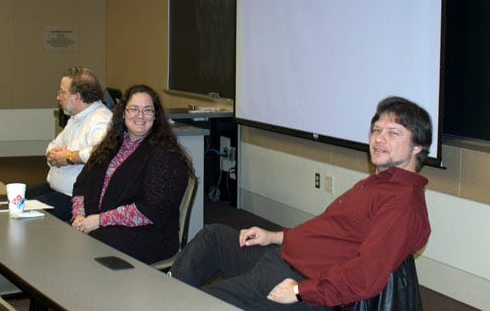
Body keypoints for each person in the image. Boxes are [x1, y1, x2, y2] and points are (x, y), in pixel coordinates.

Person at [169, 96, 432, 310]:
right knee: (215, 236)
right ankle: (165, 290)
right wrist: (273, 237)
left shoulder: (402, 203)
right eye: (376, 130)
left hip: (296, 281)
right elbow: (327, 233)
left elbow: (366, 275)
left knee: (203, 303)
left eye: (393, 133)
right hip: (281, 258)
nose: (378, 139)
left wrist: (298, 291)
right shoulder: (380, 183)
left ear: (417, 146)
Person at [71, 84, 194, 264]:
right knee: (70, 238)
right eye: (133, 109)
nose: (140, 116)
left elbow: (151, 209)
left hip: (149, 234)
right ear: (123, 113)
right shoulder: (112, 144)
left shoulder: (165, 155)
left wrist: (101, 220)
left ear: (156, 116)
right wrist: (80, 216)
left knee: (90, 246)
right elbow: (82, 183)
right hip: (100, 223)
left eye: (147, 110)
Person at [28, 67, 112, 221]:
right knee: (11, 201)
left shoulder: (101, 119)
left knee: (22, 214)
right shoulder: (76, 117)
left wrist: (68, 157)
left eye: (62, 92)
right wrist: (53, 155)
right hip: (56, 189)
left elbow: (102, 153)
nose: (58, 97)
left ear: (77, 97)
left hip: (74, 199)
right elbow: (54, 144)